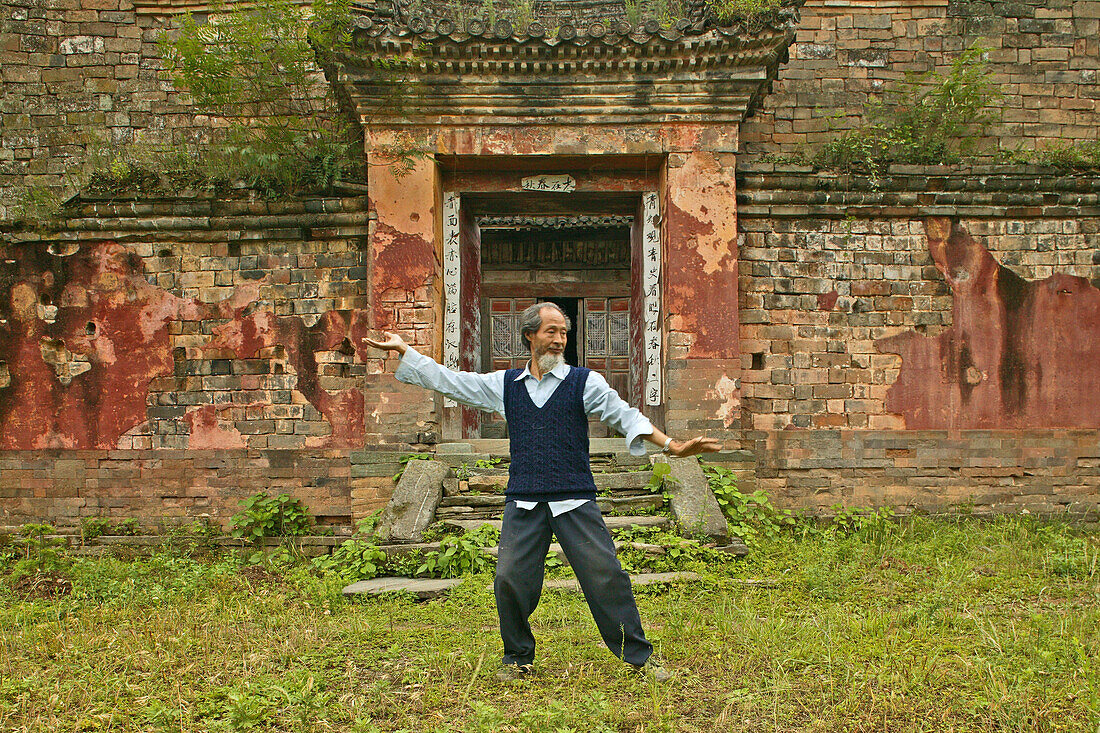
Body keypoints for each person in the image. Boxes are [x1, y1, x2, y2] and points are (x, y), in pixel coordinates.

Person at [364, 302, 721, 682]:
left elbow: (625, 415)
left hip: (574, 497)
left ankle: (639, 658)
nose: (558, 339)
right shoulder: (505, 387)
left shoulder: (585, 382)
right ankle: (517, 658)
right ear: (529, 336)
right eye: (550, 331)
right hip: (524, 499)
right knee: (510, 579)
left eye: (563, 332)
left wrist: (672, 446)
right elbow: (452, 381)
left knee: (606, 577)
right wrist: (407, 352)